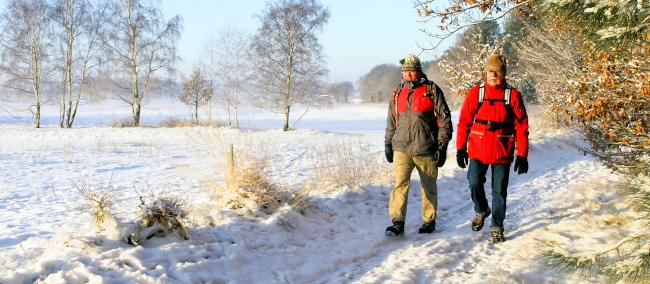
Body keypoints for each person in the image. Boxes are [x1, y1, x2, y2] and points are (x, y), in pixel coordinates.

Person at [456, 54, 529, 243]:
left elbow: (521, 126)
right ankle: (481, 209)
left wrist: (522, 154)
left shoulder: (512, 95)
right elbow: (464, 121)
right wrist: (460, 149)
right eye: (490, 71)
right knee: (473, 181)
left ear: (503, 74)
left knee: (499, 191)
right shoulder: (476, 93)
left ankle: (497, 225)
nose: (493, 75)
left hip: (502, 150)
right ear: (485, 72)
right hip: (478, 149)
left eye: (497, 72)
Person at [384, 54, 453, 237]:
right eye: (405, 71)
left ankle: (429, 221)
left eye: (411, 71)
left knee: (428, 187)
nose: (407, 74)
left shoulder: (432, 90)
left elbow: (445, 119)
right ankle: (397, 222)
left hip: (426, 148)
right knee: (399, 184)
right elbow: (392, 120)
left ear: (418, 71)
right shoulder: (397, 92)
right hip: (402, 148)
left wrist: (442, 145)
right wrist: (387, 142)